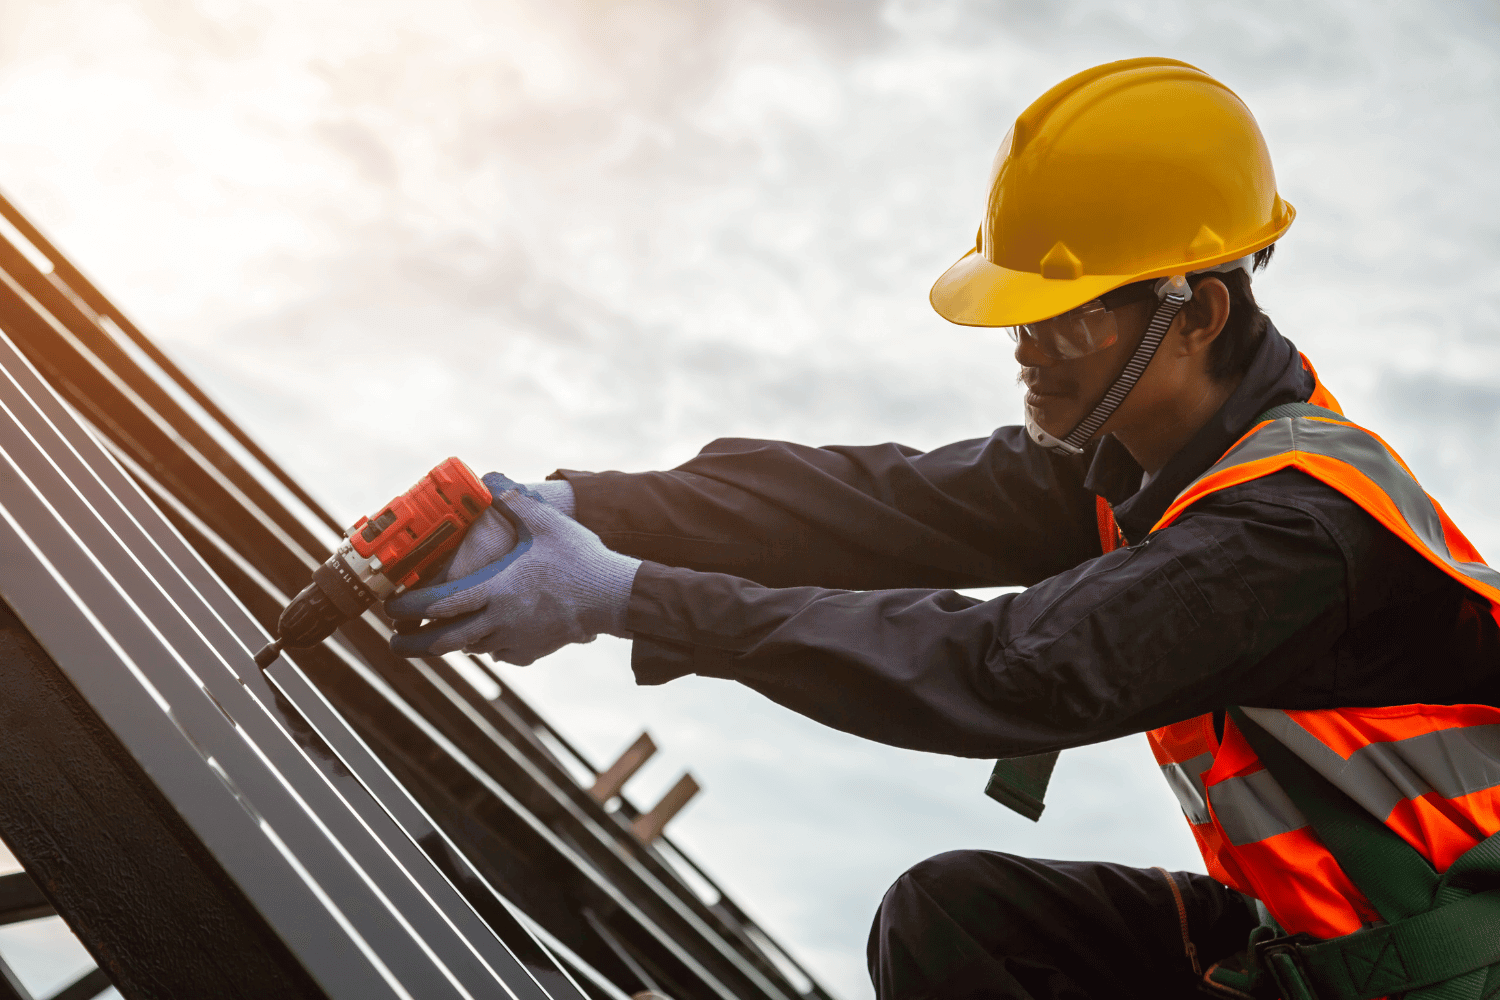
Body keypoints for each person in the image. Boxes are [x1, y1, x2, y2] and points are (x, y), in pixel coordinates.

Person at [388, 58, 1500, 1000]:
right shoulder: (1147, 469)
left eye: (1065, 315)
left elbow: (1007, 669)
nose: (1023, 344)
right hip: (1341, 948)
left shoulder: (1292, 532)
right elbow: (875, 505)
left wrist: (620, 596)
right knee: (959, 922)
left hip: (1450, 971)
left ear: (1195, 313)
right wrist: (583, 510)